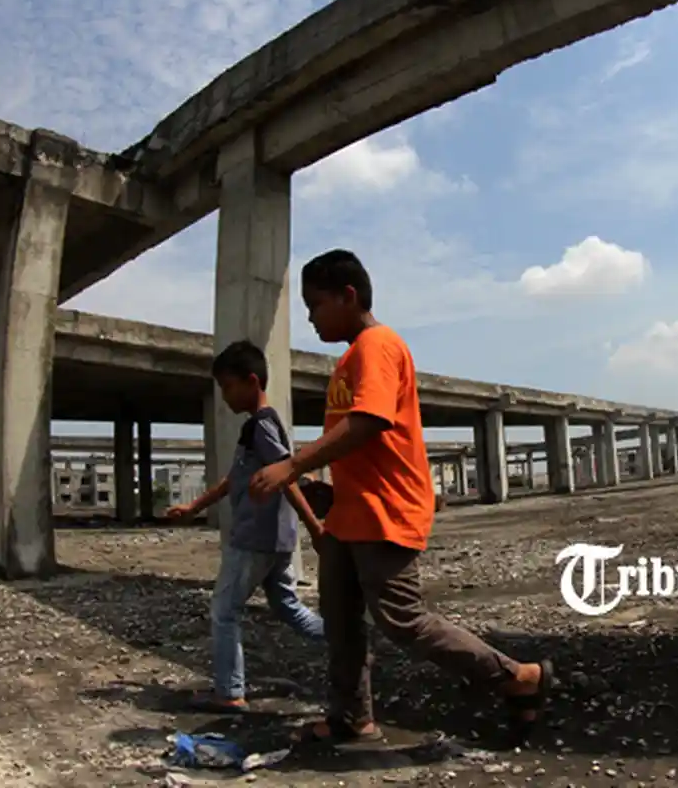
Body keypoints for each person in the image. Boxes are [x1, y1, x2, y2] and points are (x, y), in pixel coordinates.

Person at [248, 248, 554, 746]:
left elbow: (371, 421)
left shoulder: (379, 345)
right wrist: (330, 491)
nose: (310, 317)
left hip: (384, 511)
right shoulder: (351, 357)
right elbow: (363, 442)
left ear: (348, 296)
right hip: (350, 513)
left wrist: (295, 464)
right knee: (341, 621)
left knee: (402, 619)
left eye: (315, 304)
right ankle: (352, 717)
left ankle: (518, 677)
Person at [167, 340, 326, 712]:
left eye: (228, 386)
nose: (224, 396)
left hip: (255, 539)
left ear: (252, 382)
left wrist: (315, 527)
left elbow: (287, 476)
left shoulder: (263, 425)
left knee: (225, 611)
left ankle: (229, 692)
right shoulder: (255, 428)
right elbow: (232, 481)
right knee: (287, 606)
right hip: (277, 540)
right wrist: (194, 506)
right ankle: (348, 640)